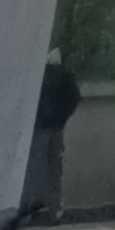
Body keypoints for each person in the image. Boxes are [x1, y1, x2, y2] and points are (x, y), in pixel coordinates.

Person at [24, 53, 81, 219]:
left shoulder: (43, 76)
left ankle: (36, 210)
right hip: (53, 124)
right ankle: (53, 210)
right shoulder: (62, 77)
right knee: (53, 166)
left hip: (43, 125)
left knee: (39, 165)